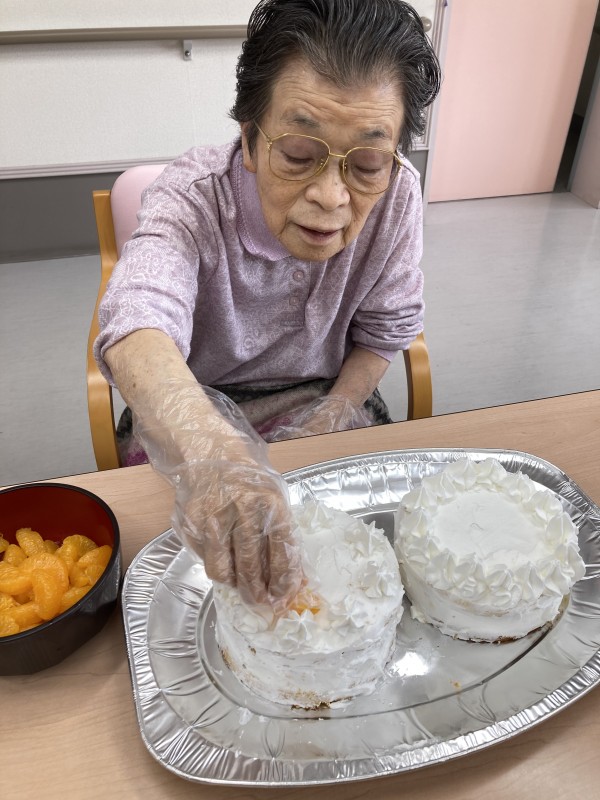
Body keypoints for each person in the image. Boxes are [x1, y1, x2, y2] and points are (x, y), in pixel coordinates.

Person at [94, 0, 441, 613]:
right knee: (199, 587)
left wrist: (336, 410)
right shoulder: (194, 199)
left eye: (366, 164)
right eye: (299, 156)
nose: (331, 197)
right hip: (192, 410)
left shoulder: (397, 197)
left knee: (365, 576)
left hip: (325, 395)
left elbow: (384, 332)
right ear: (250, 138)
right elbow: (136, 320)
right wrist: (209, 449)